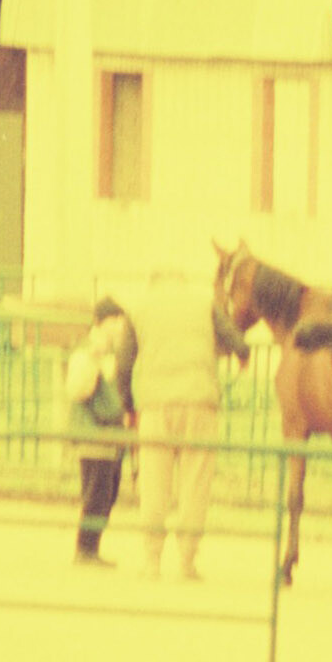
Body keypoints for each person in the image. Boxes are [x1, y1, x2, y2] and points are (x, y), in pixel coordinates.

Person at [126, 242, 239, 582]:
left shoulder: (140, 307)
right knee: (195, 484)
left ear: (154, 281)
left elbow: (123, 361)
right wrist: (237, 353)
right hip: (199, 403)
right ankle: (187, 562)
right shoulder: (204, 303)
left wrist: (128, 406)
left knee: (154, 482)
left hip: (155, 406)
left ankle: (151, 560)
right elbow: (234, 338)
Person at [63, 297, 139, 566]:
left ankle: (91, 548)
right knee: (96, 494)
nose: (120, 326)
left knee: (107, 494)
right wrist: (95, 365)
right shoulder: (87, 353)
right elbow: (77, 390)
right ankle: (85, 549)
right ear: (101, 322)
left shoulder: (110, 354)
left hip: (109, 437)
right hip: (93, 434)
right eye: (115, 321)